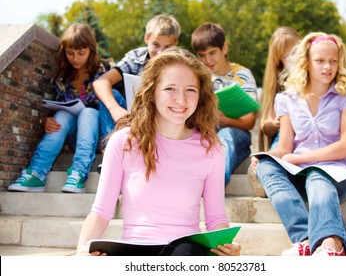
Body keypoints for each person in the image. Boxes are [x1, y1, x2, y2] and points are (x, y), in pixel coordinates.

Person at [76, 48, 241, 256]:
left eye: (191, 90)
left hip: (185, 254)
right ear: (152, 92)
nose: (181, 100)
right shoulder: (123, 142)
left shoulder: (212, 149)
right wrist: (82, 249)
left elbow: (216, 219)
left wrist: (227, 246)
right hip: (135, 253)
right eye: (170, 89)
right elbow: (100, 213)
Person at [251, 32, 346, 256]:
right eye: (320, 61)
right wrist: (267, 155)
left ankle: (331, 244)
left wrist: (301, 159)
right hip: (299, 174)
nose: (328, 67)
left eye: (333, 61)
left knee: (317, 174)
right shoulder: (287, 99)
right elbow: (285, 147)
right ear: (306, 62)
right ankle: (306, 240)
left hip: (337, 175)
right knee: (266, 165)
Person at [8, 23, 116, 193]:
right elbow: (59, 105)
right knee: (62, 116)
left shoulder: (106, 71)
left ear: (91, 50)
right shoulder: (62, 79)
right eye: (70, 53)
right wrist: (47, 120)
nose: (76, 58)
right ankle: (36, 174)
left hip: (103, 136)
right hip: (76, 136)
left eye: (81, 53)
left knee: (88, 113)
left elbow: (118, 102)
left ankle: (78, 173)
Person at [191, 22, 258, 186]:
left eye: (212, 53)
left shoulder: (242, 75)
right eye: (202, 55)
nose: (207, 60)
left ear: (225, 48)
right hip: (206, 133)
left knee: (225, 137)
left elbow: (250, 121)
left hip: (235, 136)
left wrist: (224, 120)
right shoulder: (199, 76)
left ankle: (214, 185)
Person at [93, 13, 181, 126]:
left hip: (164, 118)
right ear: (146, 38)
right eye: (156, 45)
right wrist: (115, 109)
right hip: (133, 117)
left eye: (167, 47)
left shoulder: (181, 63)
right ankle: (113, 141)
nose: (160, 52)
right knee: (111, 94)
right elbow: (101, 82)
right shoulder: (136, 58)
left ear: (175, 43)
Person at [248, 26, 301, 197]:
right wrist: (275, 122)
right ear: (279, 62)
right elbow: (265, 126)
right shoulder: (278, 87)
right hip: (283, 137)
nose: (293, 60)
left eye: (296, 52)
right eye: (287, 57)